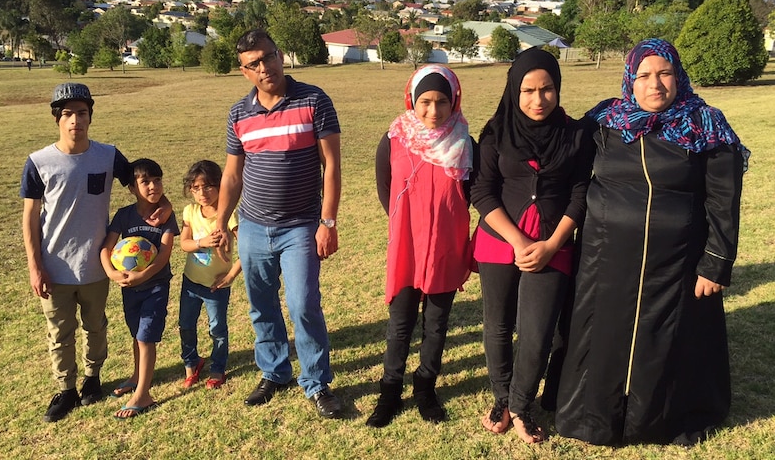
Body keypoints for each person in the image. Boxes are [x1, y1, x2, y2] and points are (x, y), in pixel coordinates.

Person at [555, 38, 748, 446]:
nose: (654, 84)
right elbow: (561, 157)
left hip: (678, 263)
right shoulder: (606, 120)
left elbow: (723, 201)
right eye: (644, 75)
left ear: (678, 76)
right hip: (604, 259)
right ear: (630, 80)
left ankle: (660, 420)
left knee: (667, 340)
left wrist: (715, 262)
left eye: (664, 73)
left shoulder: (705, 125)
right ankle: (594, 418)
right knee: (602, 338)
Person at [20, 82, 170, 423]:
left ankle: (92, 380)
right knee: (60, 332)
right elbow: (30, 215)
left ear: (91, 117)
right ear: (57, 119)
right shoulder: (39, 162)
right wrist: (34, 265)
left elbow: (141, 185)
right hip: (53, 266)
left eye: (83, 113)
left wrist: (167, 204)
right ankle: (66, 389)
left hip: (96, 267)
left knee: (96, 327)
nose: (76, 120)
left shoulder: (108, 155)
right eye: (68, 114)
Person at [215, 28, 344, 419]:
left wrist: (328, 221)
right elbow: (233, 175)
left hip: (302, 225)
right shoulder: (240, 113)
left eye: (268, 57)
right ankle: (274, 371)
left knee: (303, 304)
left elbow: (332, 165)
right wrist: (222, 220)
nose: (263, 67)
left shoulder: (313, 100)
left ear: (280, 55)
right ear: (244, 72)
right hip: (252, 226)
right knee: (261, 305)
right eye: (253, 64)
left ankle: (317, 382)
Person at [470, 48, 593, 444]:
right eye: (528, 90)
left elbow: (580, 192)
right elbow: (482, 192)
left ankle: (523, 405)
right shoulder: (495, 133)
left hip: (552, 244)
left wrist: (552, 243)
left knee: (538, 332)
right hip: (500, 240)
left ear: (558, 88)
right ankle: (503, 400)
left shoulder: (575, 135)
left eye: (547, 89)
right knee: (498, 325)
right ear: (513, 89)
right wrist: (520, 241)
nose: (538, 100)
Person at [366, 65, 475, 428]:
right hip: (407, 247)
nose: (433, 111)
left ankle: (425, 386)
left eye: (442, 102)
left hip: (446, 244)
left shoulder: (464, 142)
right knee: (400, 323)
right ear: (412, 100)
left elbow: (472, 193)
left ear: (454, 100)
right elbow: (385, 186)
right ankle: (390, 390)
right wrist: (406, 225)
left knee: (437, 323)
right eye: (425, 101)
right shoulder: (395, 138)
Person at [100, 158, 180, 419]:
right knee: (136, 334)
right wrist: (112, 272)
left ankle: (143, 394)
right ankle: (137, 376)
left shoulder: (166, 216)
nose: (153, 186)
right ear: (132, 188)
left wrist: (144, 274)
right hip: (129, 287)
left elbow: (165, 252)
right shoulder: (124, 215)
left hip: (155, 286)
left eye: (157, 180)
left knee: (146, 337)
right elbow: (107, 247)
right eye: (145, 181)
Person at [178, 160, 242, 391]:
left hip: (217, 287)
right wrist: (201, 243)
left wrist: (230, 276)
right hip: (190, 283)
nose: (202, 193)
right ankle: (191, 364)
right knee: (185, 324)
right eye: (195, 188)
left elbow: (246, 249)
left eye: (208, 187)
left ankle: (217, 367)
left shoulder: (229, 215)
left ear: (220, 186)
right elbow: (184, 244)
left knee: (217, 329)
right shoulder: (190, 211)